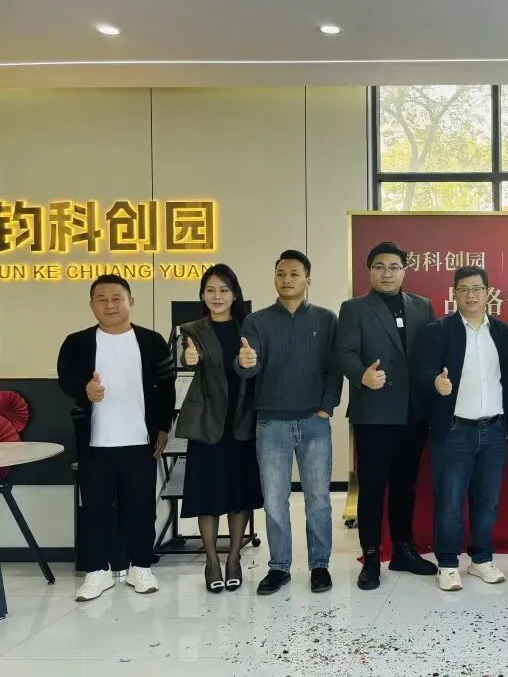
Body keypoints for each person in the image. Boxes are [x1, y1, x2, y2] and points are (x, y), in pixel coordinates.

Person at [57, 275, 175, 602]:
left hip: (141, 441)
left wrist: (163, 428)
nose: (110, 305)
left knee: (141, 508)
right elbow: (66, 379)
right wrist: (85, 389)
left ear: (130, 302)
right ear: (92, 305)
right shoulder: (77, 343)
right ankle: (97, 571)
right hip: (95, 443)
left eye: (116, 298)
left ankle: (141, 567)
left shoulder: (152, 342)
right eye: (102, 299)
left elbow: (167, 388)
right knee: (95, 509)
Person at [235, 250, 342, 596]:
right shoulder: (257, 321)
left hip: (314, 422)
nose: (286, 279)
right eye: (280, 273)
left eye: (294, 274)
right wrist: (245, 361)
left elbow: (334, 367)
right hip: (271, 424)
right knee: (275, 500)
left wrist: (327, 407)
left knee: (318, 499)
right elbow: (249, 368)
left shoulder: (326, 319)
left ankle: (319, 565)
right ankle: (279, 567)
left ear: (307, 279)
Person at [336, 241, 437, 590]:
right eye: (379, 266)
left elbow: (431, 353)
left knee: (405, 487)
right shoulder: (354, 308)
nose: (387, 273)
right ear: (370, 271)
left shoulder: (422, 306)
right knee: (372, 488)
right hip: (375, 413)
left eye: (394, 267)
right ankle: (371, 555)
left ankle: (403, 549)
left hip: (413, 414)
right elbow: (343, 353)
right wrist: (361, 375)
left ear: (404, 271)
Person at [411, 266, 508, 591]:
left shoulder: (503, 332)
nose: (471, 295)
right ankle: (447, 563)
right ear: (454, 293)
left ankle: (481, 559)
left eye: (477, 289)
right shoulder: (438, 331)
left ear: (488, 293)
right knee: (449, 501)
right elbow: (421, 372)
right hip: (455, 431)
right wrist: (436, 383)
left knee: (488, 501)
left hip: (494, 430)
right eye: (464, 289)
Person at [174, 264, 262, 593]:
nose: (217, 296)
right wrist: (189, 358)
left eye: (224, 290)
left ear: (235, 294)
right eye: (210, 290)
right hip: (208, 424)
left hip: (242, 422)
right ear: (202, 295)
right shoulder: (192, 330)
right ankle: (211, 561)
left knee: (239, 494)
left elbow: (257, 366)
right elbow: (185, 357)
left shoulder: (248, 327)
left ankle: (234, 558)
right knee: (207, 495)